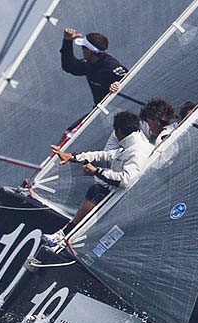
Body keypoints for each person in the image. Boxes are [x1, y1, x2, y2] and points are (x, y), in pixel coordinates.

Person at [43, 111, 153, 245]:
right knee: (98, 190)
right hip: (125, 198)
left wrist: (96, 171)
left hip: (132, 204)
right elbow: (104, 156)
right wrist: (72, 157)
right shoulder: (131, 145)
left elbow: (125, 180)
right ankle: (66, 235)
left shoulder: (138, 150)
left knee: (96, 191)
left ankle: (65, 236)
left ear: (118, 131)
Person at [58, 28, 128, 146]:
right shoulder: (89, 64)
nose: (82, 51)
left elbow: (131, 81)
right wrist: (67, 41)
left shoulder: (111, 66)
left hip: (119, 112)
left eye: (83, 48)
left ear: (89, 51)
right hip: (100, 111)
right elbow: (70, 66)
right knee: (68, 134)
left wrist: (119, 84)